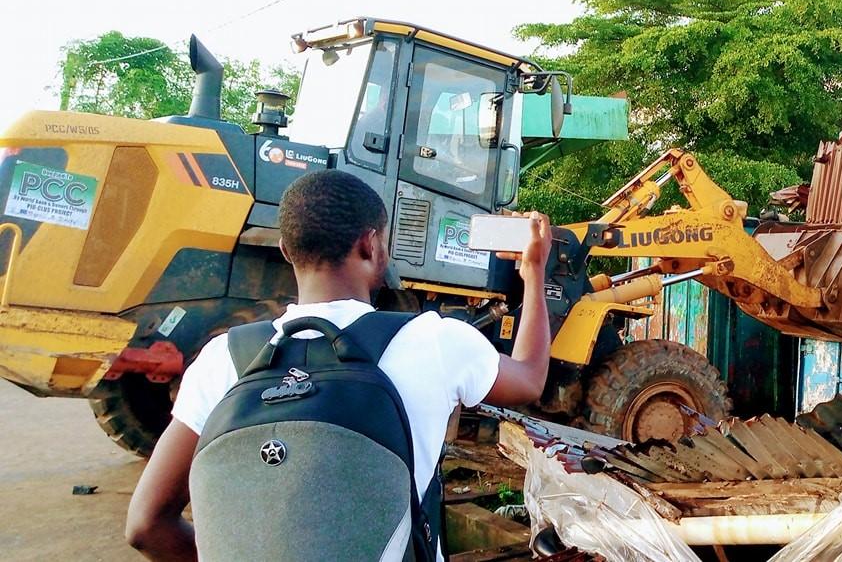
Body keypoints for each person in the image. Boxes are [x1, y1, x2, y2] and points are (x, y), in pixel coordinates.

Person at [125, 169, 553, 561]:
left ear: (286, 250)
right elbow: (530, 377)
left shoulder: (223, 359)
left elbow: (146, 525)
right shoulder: (432, 340)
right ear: (371, 245)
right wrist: (533, 271)